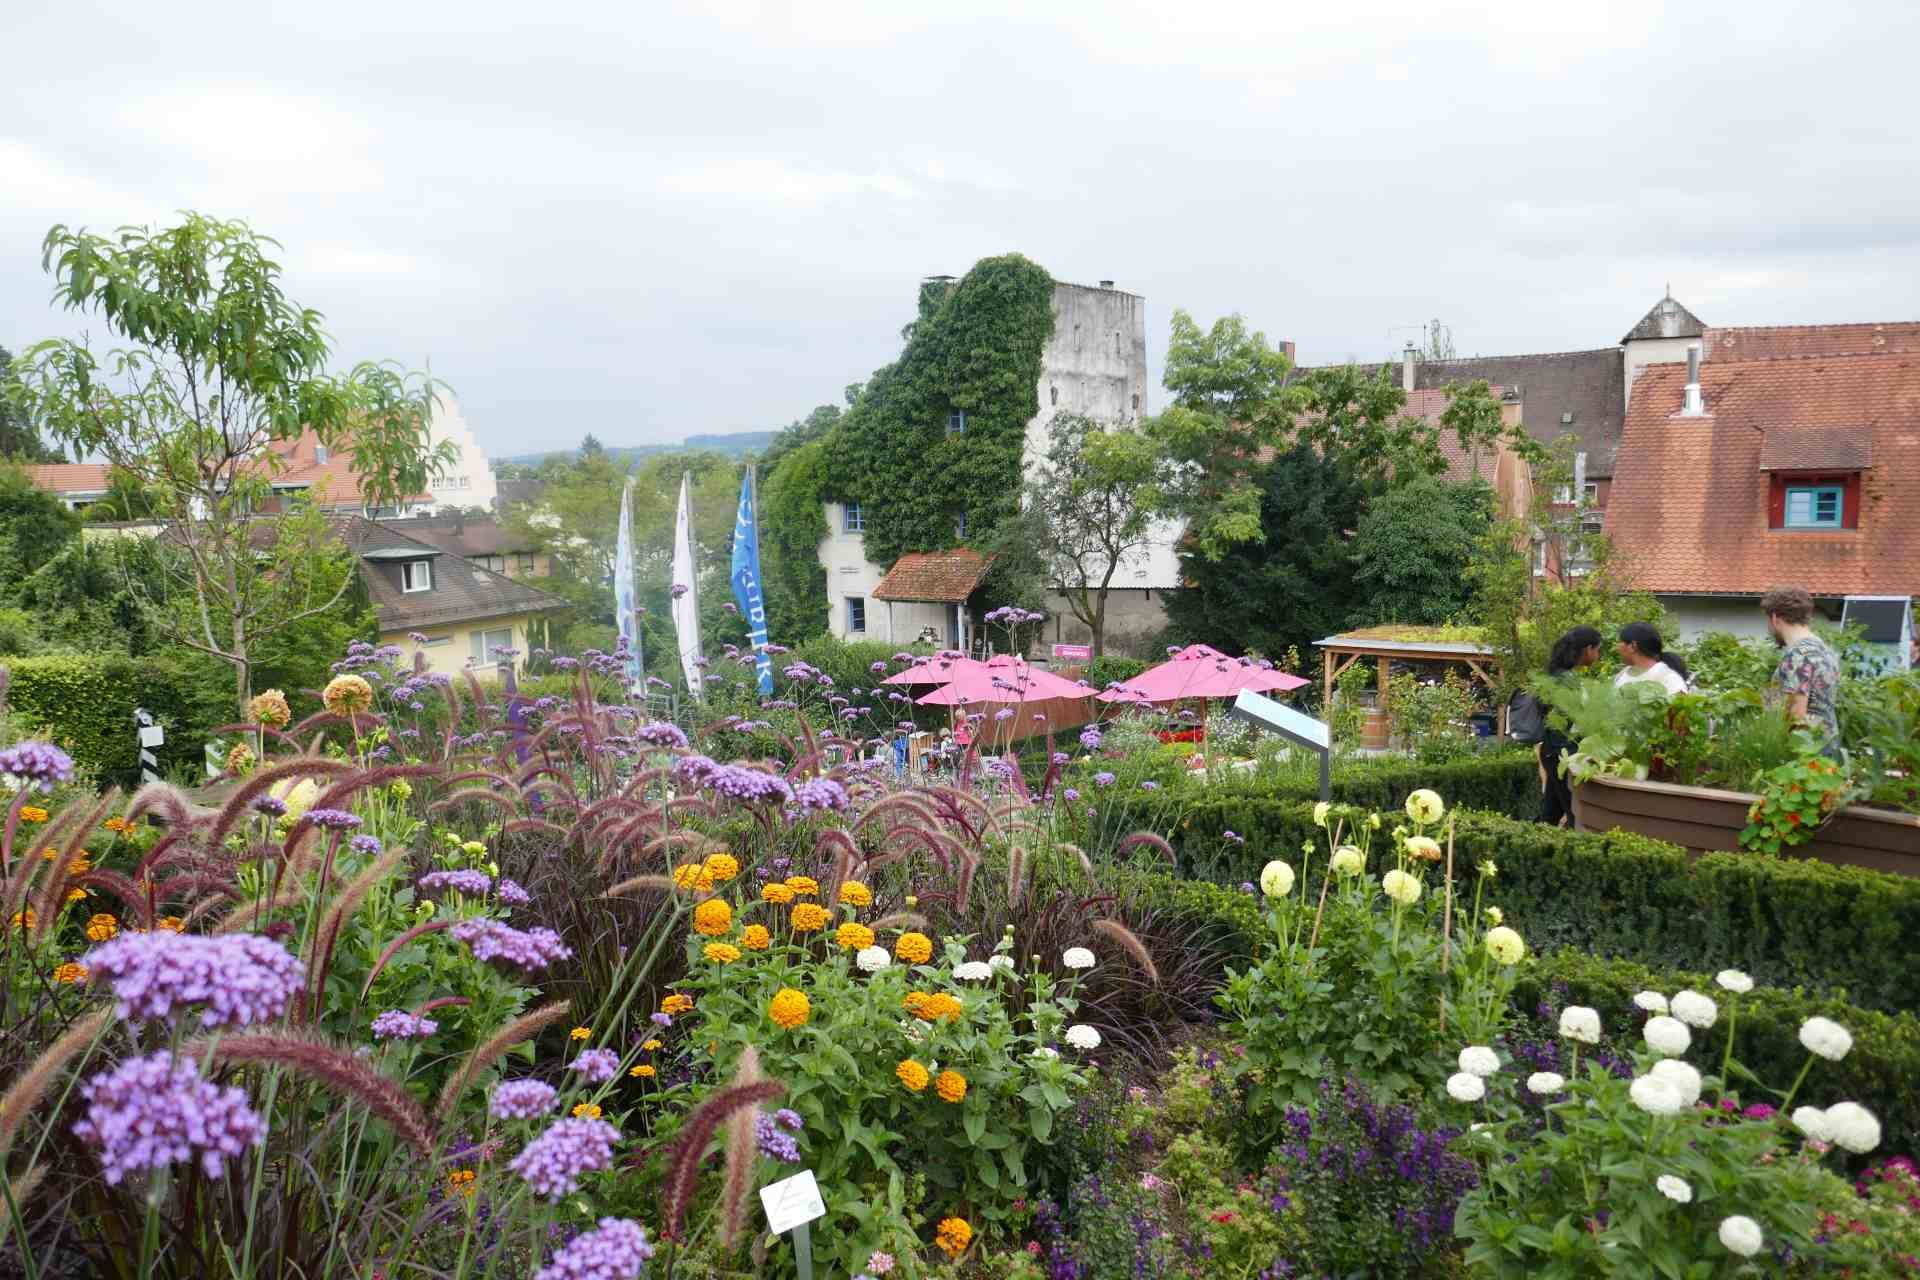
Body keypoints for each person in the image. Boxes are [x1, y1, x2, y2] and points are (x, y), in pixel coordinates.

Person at [1538, 625, 1602, 826]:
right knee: (1576, 816)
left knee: (1551, 813)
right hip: (1561, 753)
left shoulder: (1562, 675)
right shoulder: (1565, 680)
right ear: (1588, 649)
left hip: (1554, 752)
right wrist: (1572, 757)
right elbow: (1562, 724)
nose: (1598, 655)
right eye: (1598, 649)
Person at [1760, 585, 1840, 740]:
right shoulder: (1826, 650)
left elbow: (1796, 716)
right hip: (1826, 745)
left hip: (1805, 749)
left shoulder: (1798, 655)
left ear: (1774, 618)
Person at [1614, 622, 1691, 697]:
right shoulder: (1623, 673)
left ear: (1632, 646)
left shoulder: (1670, 679)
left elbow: (1680, 704)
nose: (1617, 647)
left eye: (1620, 642)